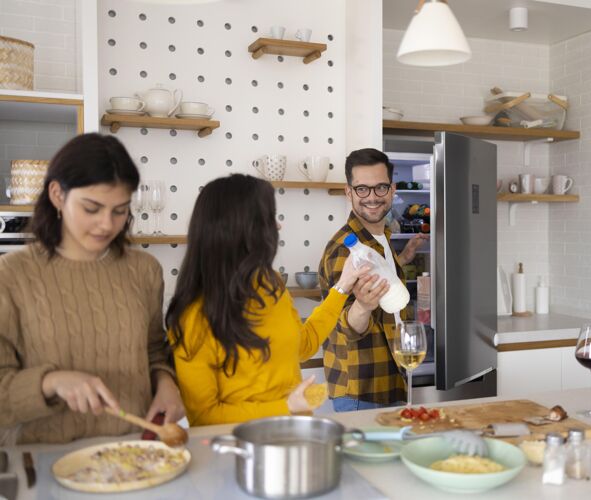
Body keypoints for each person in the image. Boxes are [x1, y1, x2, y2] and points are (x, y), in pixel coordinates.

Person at [0, 133, 183, 445]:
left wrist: (166, 383)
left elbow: (154, 351)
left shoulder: (144, 270)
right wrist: (50, 381)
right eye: (91, 208)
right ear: (57, 195)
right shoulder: (12, 276)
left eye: (120, 210)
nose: (106, 225)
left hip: (134, 451)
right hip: (43, 460)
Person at [165, 174, 367, 426]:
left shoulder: (269, 283)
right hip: (240, 452)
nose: (278, 226)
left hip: (293, 437)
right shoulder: (193, 318)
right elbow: (204, 416)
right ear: (245, 229)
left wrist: (343, 286)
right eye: (270, 217)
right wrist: (286, 407)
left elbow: (302, 346)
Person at [319, 148, 427, 411]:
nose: (372, 198)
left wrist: (402, 259)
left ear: (391, 190)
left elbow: (382, 279)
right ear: (349, 192)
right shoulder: (344, 251)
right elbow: (343, 324)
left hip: (389, 379)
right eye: (362, 189)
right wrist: (361, 307)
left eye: (379, 188)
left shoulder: (381, 238)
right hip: (363, 391)